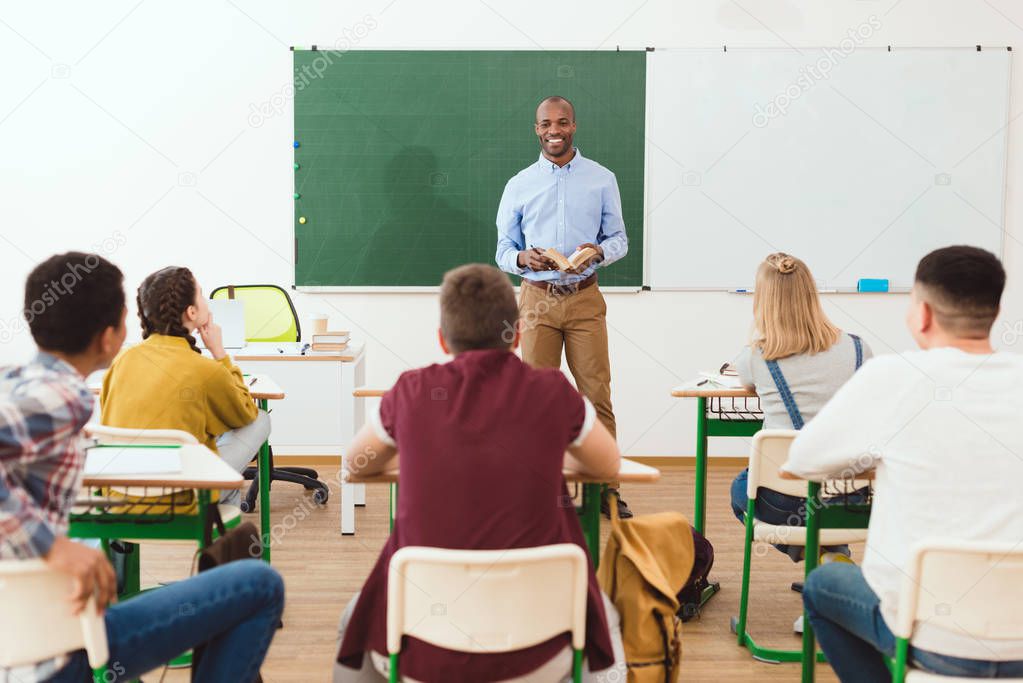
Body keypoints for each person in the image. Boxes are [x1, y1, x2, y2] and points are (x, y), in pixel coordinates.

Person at [334, 264, 626, 682]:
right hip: (541, 655)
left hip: (421, 654)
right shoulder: (553, 391)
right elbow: (608, 464)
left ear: (442, 338)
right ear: (518, 334)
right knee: (609, 618)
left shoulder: (411, 392)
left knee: (353, 619)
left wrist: (419, 455)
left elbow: (355, 462)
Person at [0, 252, 283, 682]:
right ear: (110, 336)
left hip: (31, 631)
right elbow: (244, 415)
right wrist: (55, 547)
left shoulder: (15, 380)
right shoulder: (63, 396)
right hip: (58, 651)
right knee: (260, 585)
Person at [784, 246, 1023, 680]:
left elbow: (803, 460)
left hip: (932, 636)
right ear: (995, 310)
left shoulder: (891, 377)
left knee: (821, 587)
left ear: (923, 314)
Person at [496, 95, 632, 519]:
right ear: (536, 129)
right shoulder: (519, 183)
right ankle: (543, 491)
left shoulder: (602, 178)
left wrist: (599, 253)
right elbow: (503, 249)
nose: (554, 130)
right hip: (536, 299)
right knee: (537, 401)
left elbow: (620, 240)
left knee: (596, 396)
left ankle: (606, 490)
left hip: (585, 297)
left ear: (574, 126)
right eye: (546, 124)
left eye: (562, 122)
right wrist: (523, 259)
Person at [730, 253, 872, 563]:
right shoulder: (860, 349)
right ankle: (831, 557)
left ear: (763, 301)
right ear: (811, 294)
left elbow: (748, 383)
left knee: (741, 490)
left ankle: (815, 555)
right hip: (849, 496)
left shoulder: (755, 356)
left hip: (786, 502)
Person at [100, 266, 269, 505]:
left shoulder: (121, 361)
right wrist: (220, 353)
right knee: (260, 419)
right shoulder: (206, 370)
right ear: (191, 312)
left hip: (120, 496)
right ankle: (221, 533)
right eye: (201, 294)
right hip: (184, 499)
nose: (205, 299)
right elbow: (244, 414)